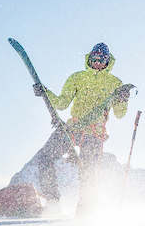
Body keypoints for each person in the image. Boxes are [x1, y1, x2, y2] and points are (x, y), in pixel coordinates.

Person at [32, 42, 135, 215]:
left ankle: (85, 210)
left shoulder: (115, 83)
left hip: (95, 133)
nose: (97, 62)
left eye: (102, 59)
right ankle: (52, 201)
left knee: (89, 172)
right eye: (94, 58)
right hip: (72, 128)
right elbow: (62, 103)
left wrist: (123, 99)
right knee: (44, 157)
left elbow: (119, 114)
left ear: (108, 61)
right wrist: (45, 92)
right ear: (90, 58)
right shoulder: (77, 77)